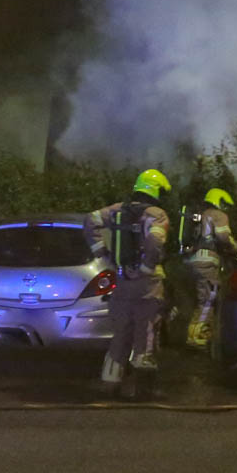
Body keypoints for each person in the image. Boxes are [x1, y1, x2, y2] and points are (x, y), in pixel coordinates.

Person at [86, 168, 172, 399]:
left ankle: (109, 383)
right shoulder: (157, 214)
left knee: (121, 333)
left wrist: (102, 254)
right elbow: (155, 240)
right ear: (155, 190)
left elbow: (90, 220)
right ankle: (143, 390)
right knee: (147, 332)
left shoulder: (116, 210)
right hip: (148, 284)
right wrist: (148, 265)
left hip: (122, 279)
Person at [182, 187, 237, 351]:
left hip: (192, 261)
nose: (225, 208)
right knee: (209, 299)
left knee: (201, 299)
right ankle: (197, 338)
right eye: (224, 204)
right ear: (218, 201)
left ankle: (195, 333)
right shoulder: (218, 215)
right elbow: (223, 237)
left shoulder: (200, 215)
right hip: (207, 262)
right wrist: (236, 248)